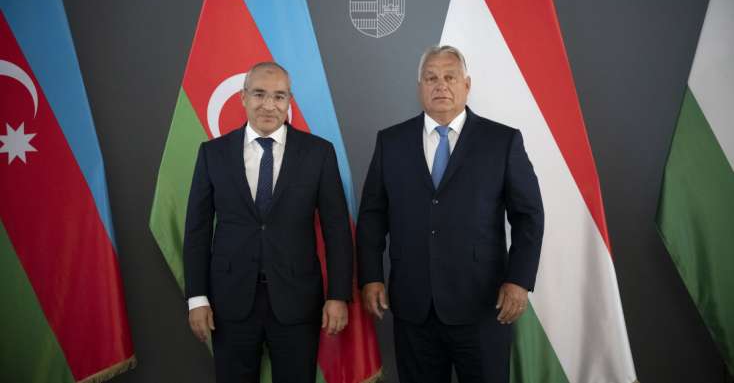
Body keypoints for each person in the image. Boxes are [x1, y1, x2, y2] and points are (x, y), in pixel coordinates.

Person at [356, 45, 544, 383]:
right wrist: (371, 276)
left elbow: (528, 216)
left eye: (449, 77)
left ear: (466, 85)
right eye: (431, 78)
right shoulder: (391, 142)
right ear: (420, 88)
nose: (440, 85)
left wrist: (519, 280)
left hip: (483, 303)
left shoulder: (502, 141)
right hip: (414, 306)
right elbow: (372, 216)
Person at [184, 62, 353, 383]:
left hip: (297, 301)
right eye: (259, 94)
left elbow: (337, 231)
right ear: (243, 97)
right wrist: (197, 297)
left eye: (279, 96)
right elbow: (197, 231)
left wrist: (338, 295)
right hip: (229, 303)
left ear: (289, 101)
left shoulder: (318, 153)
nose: (269, 105)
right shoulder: (212, 153)